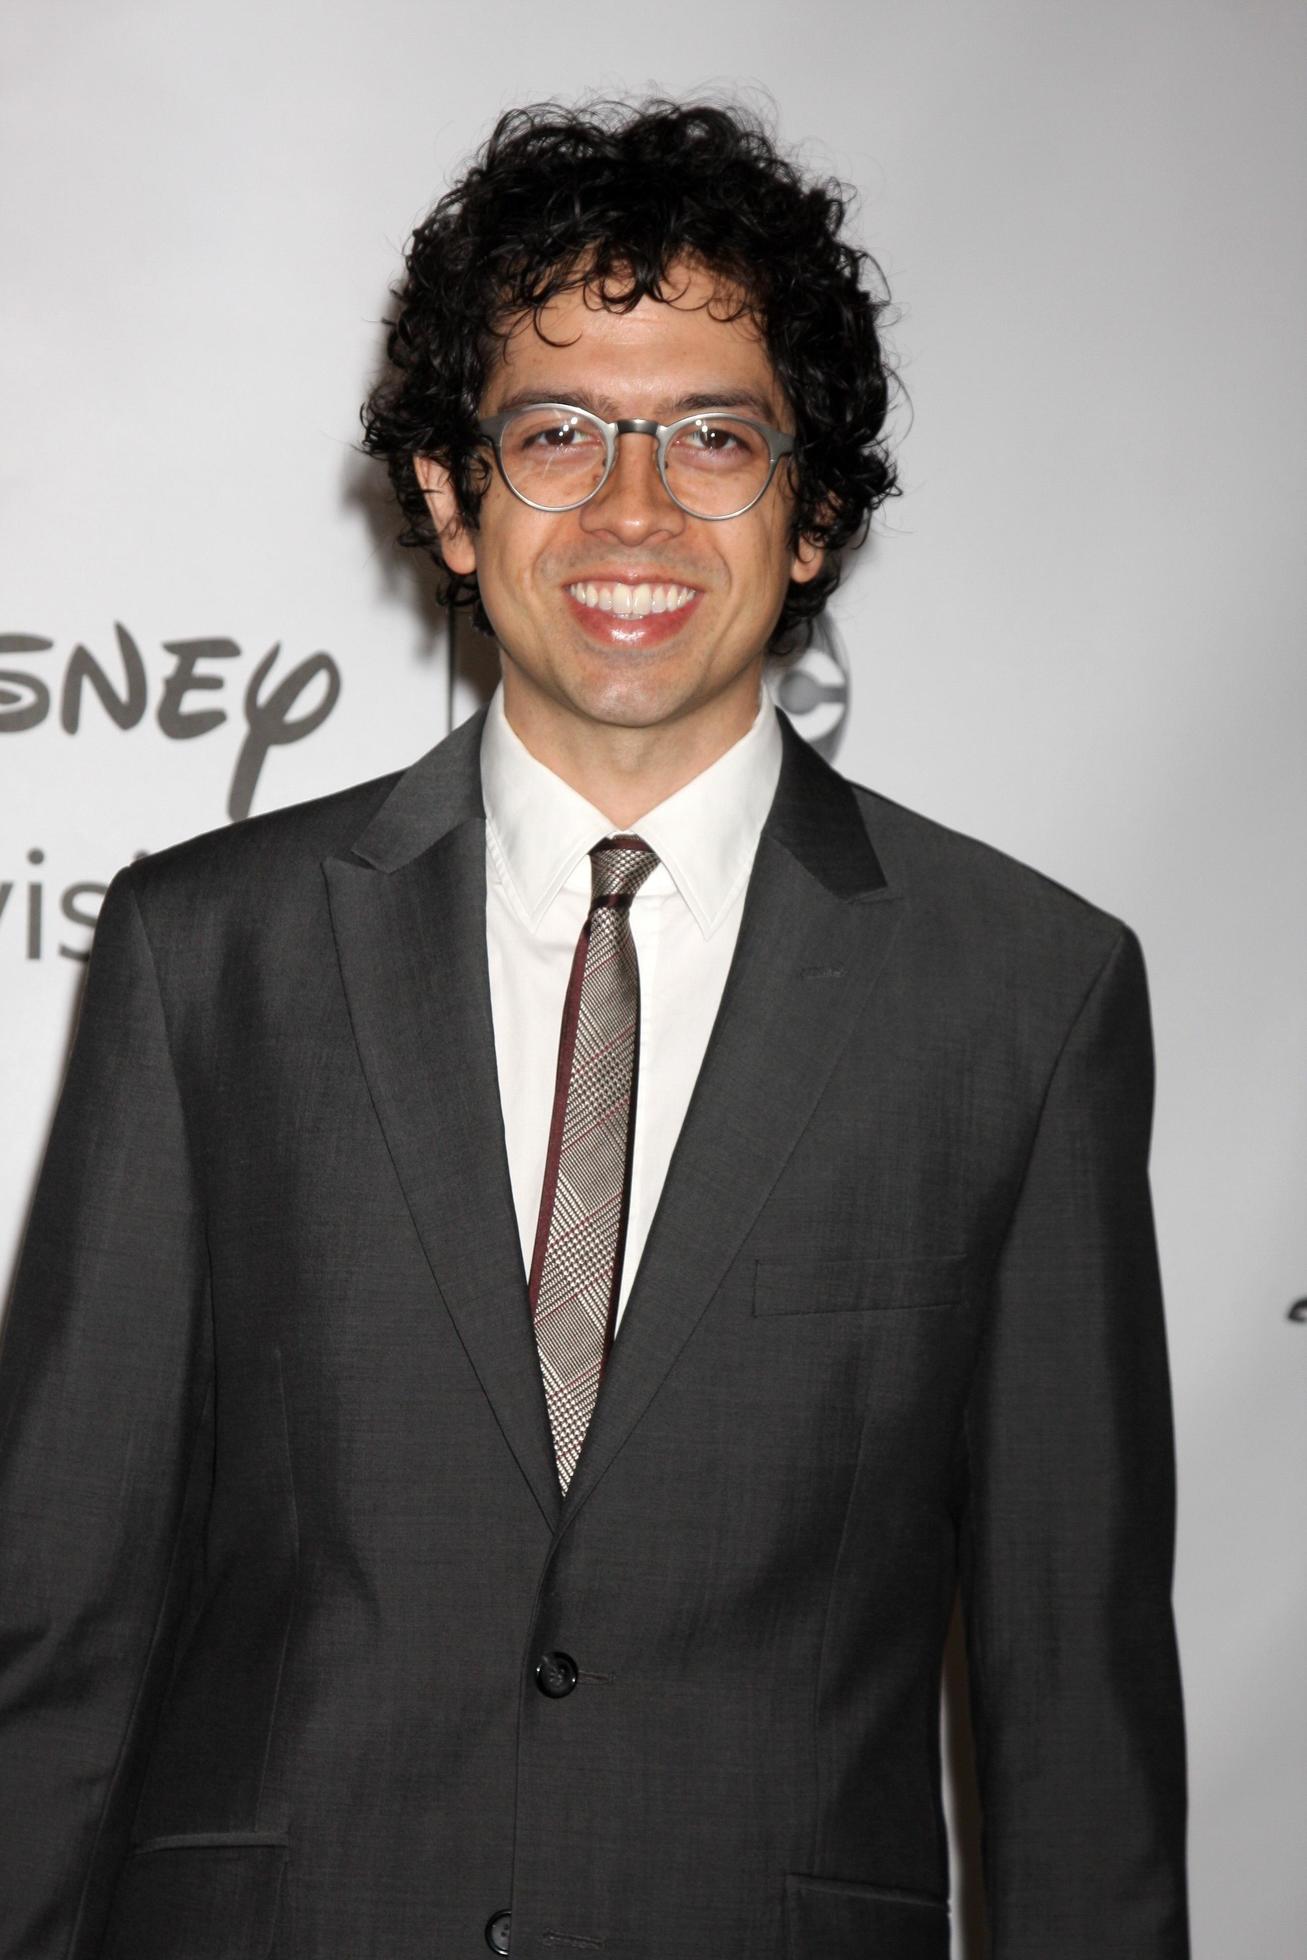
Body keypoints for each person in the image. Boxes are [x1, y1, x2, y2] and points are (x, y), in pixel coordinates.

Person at [0, 98, 1188, 1960]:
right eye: (558, 433)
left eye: (714, 437)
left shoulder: (1024, 997)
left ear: (815, 518)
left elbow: (1076, 1712)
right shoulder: (202, 957)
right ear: (452, 502)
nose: (634, 511)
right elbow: (53, 1629)